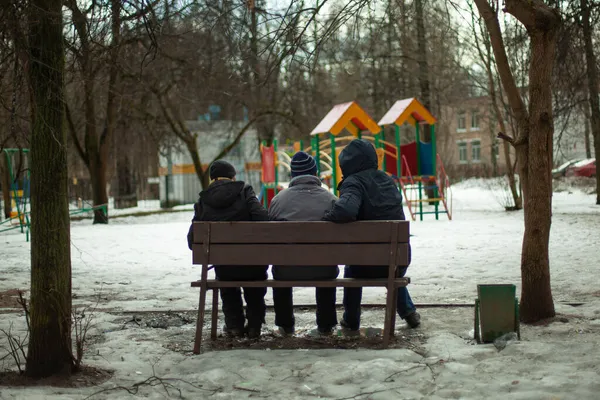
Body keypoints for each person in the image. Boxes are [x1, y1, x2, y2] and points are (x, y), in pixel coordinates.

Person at [322, 139, 420, 331]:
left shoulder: (353, 182)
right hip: (398, 260)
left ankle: (351, 320)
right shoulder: (387, 180)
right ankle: (408, 312)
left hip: (367, 263)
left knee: (352, 268)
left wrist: (329, 214)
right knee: (388, 266)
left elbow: (346, 210)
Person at [187, 160, 268, 338]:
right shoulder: (245, 191)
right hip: (252, 265)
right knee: (254, 271)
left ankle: (234, 325)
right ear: (233, 177)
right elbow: (263, 219)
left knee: (225, 272)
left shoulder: (203, 200)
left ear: (213, 179)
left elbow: (192, 239)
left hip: (225, 267)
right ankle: (254, 325)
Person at [269, 151, 339, 335]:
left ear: (292, 175)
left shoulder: (278, 200)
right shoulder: (331, 199)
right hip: (324, 269)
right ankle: (326, 323)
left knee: (280, 266)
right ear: (315, 173)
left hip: (287, 269)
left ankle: (285, 324)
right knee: (325, 262)